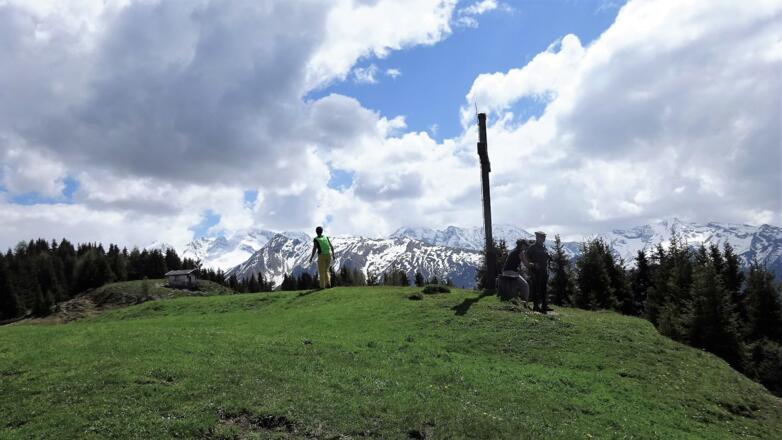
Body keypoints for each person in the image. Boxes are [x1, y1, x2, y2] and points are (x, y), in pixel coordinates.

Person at [525, 231, 551, 313]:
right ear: (537, 238)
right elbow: (526, 258)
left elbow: (546, 256)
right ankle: (536, 306)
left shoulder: (544, 247)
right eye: (542, 237)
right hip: (536, 271)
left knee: (544, 288)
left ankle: (544, 305)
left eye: (544, 237)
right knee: (536, 288)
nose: (544, 239)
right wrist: (533, 264)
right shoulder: (532, 247)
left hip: (544, 270)